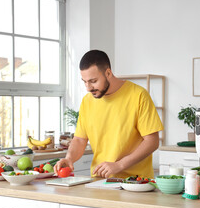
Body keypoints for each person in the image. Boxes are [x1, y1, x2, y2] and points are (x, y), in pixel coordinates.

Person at [54, 50, 163, 179]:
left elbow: (152, 141)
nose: (88, 88)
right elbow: (80, 139)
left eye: (93, 81)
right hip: (99, 181)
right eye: (84, 82)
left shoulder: (138, 95)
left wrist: (119, 165)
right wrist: (69, 158)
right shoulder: (87, 101)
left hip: (136, 182)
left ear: (108, 73)